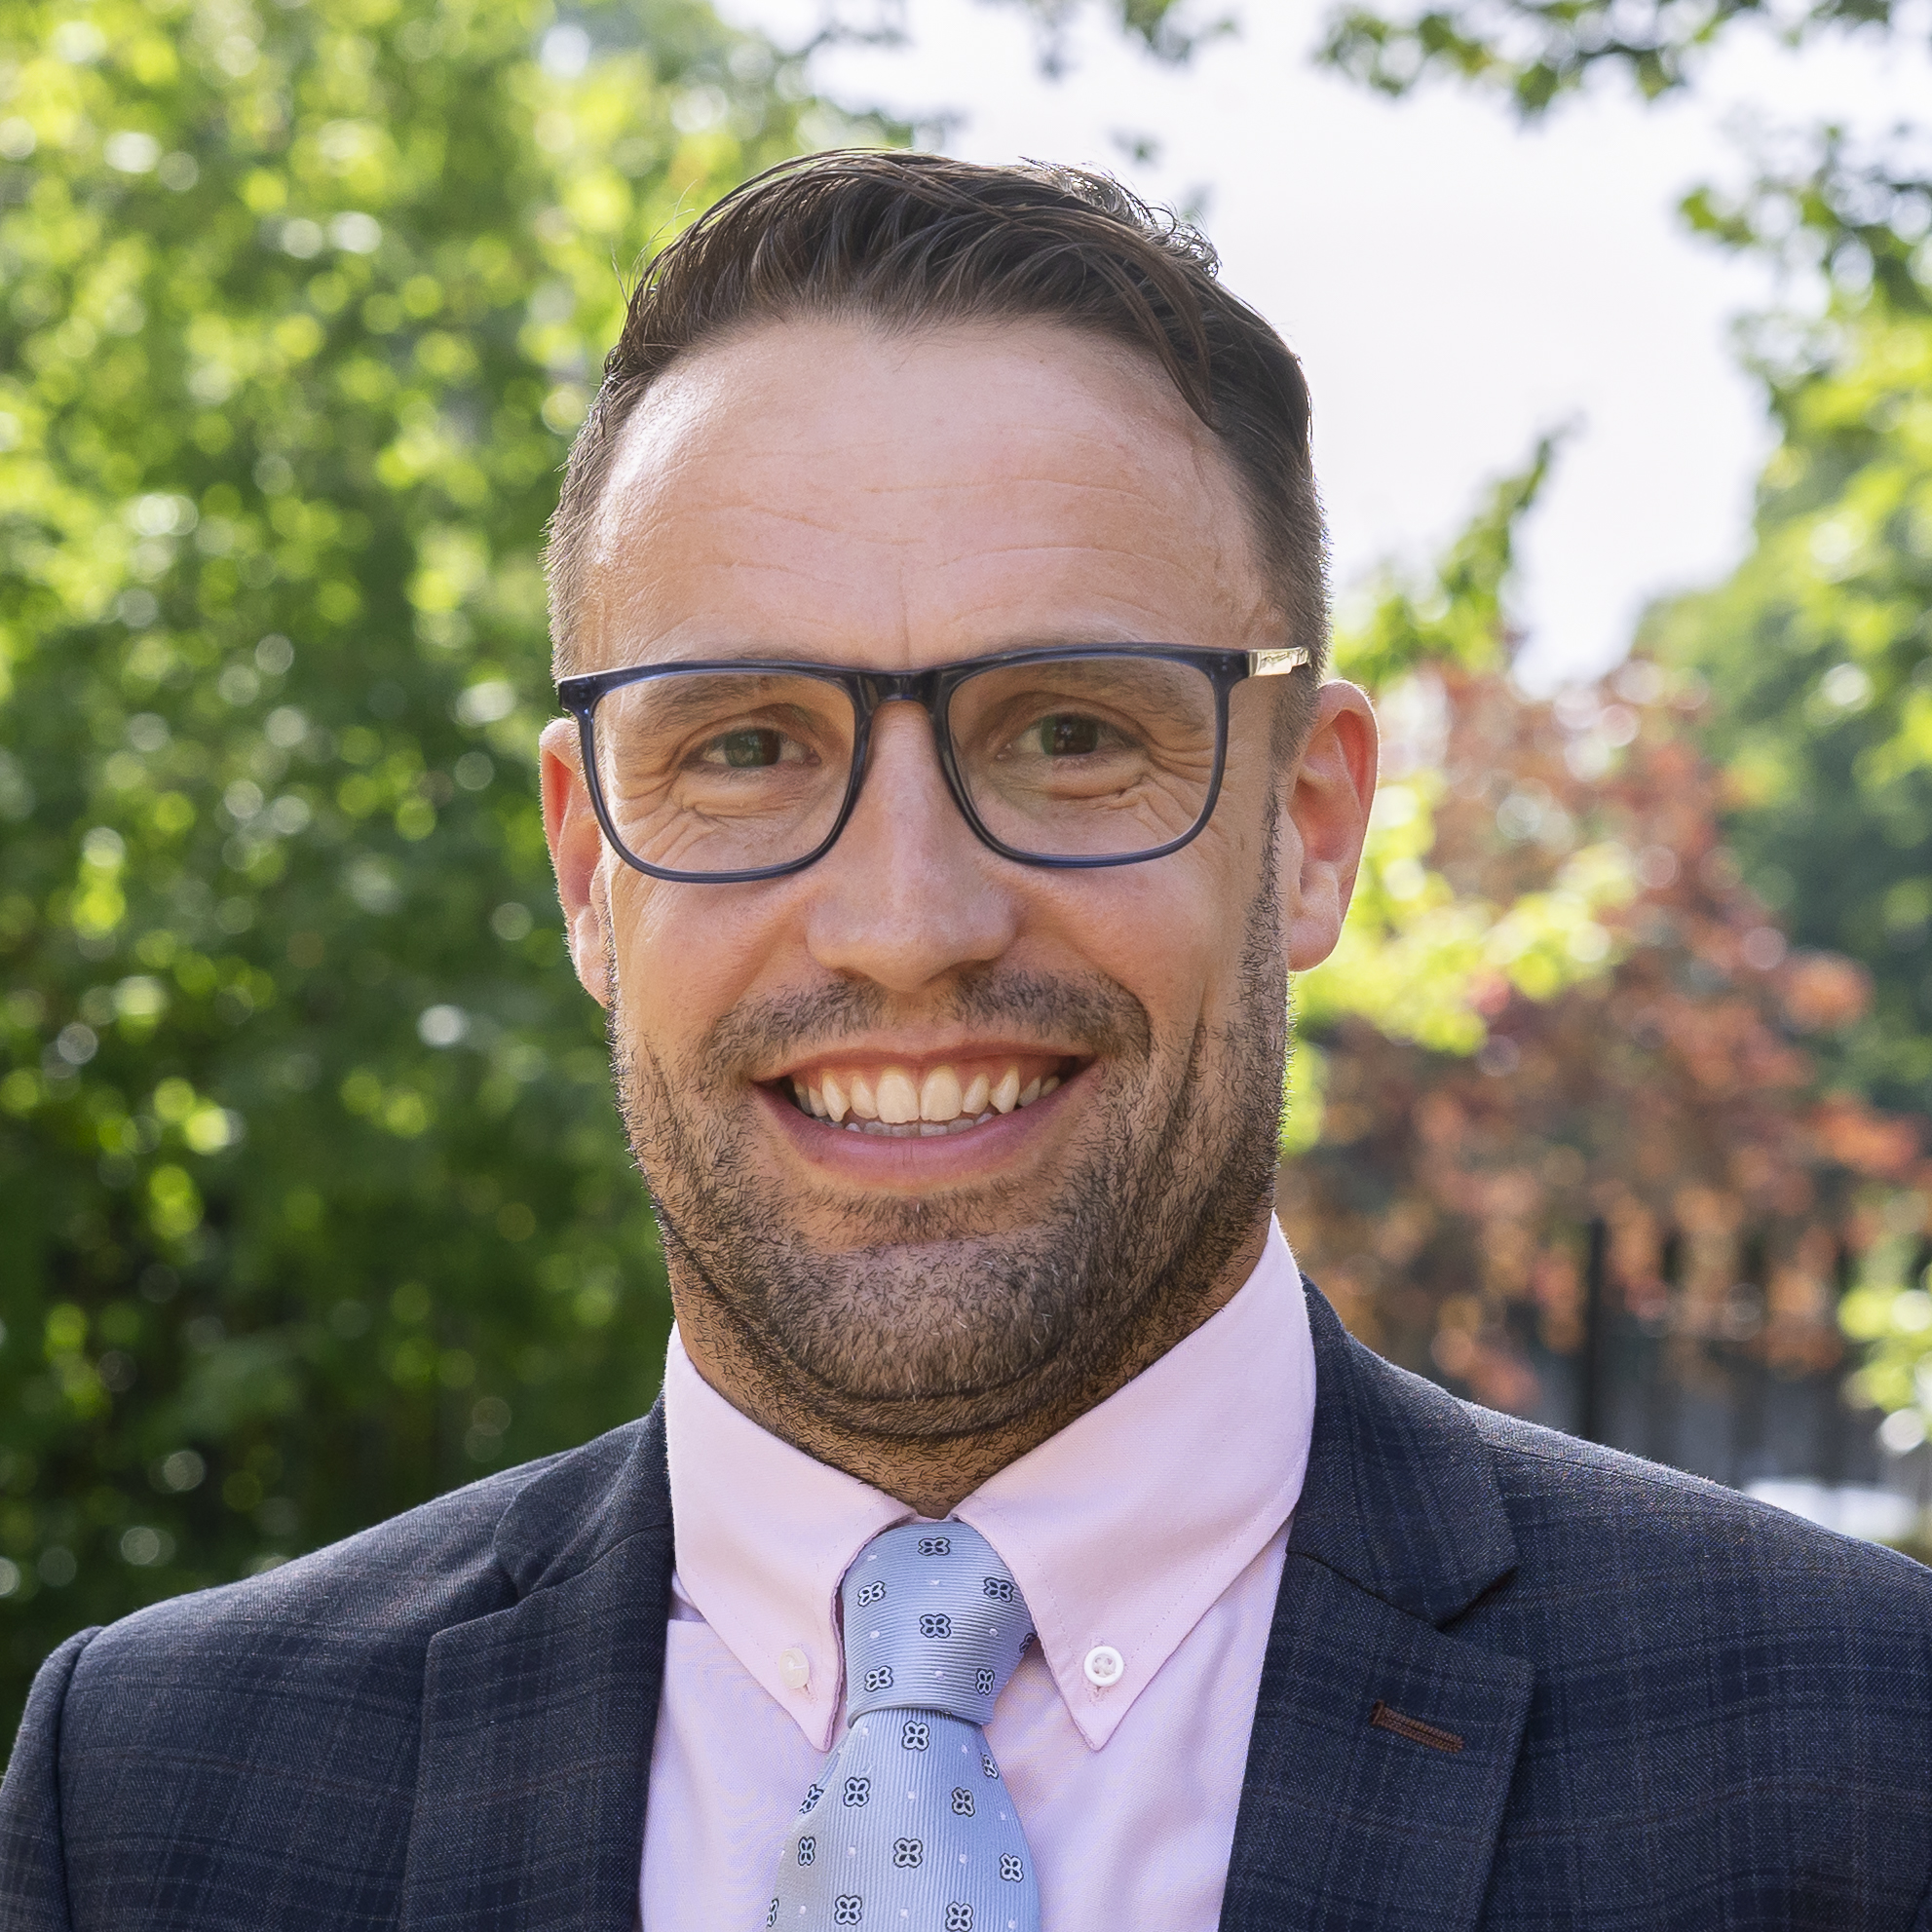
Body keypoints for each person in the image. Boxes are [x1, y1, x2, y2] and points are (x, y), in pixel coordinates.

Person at [3, 150, 1929, 1932]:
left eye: (1068, 731)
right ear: (589, 869)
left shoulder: (1855, 1756)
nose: (908, 922)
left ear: (1308, 823)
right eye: (744, 746)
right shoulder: (161, 1796)